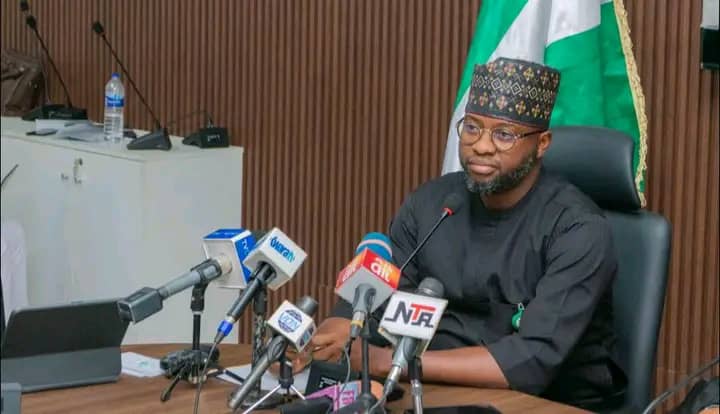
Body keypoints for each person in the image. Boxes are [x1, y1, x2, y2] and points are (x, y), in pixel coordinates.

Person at [301, 57, 627, 410]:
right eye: (472, 128)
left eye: (504, 134)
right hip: (435, 389)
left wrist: (387, 361)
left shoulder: (577, 228)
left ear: (542, 143)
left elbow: (530, 360)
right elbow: (382, 289)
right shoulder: (434, 203)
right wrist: (341, 326)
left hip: (549, 402)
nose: (481, 146)